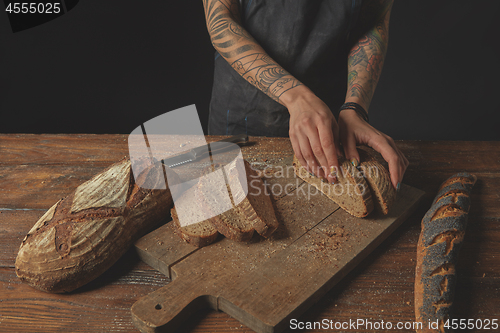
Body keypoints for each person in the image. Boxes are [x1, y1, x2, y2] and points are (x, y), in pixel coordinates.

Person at [203, 0, 408, 190]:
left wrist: (354, 107)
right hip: (243, 122)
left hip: (327, 130)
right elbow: (221, 20)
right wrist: (297, 97)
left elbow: (373, 21)